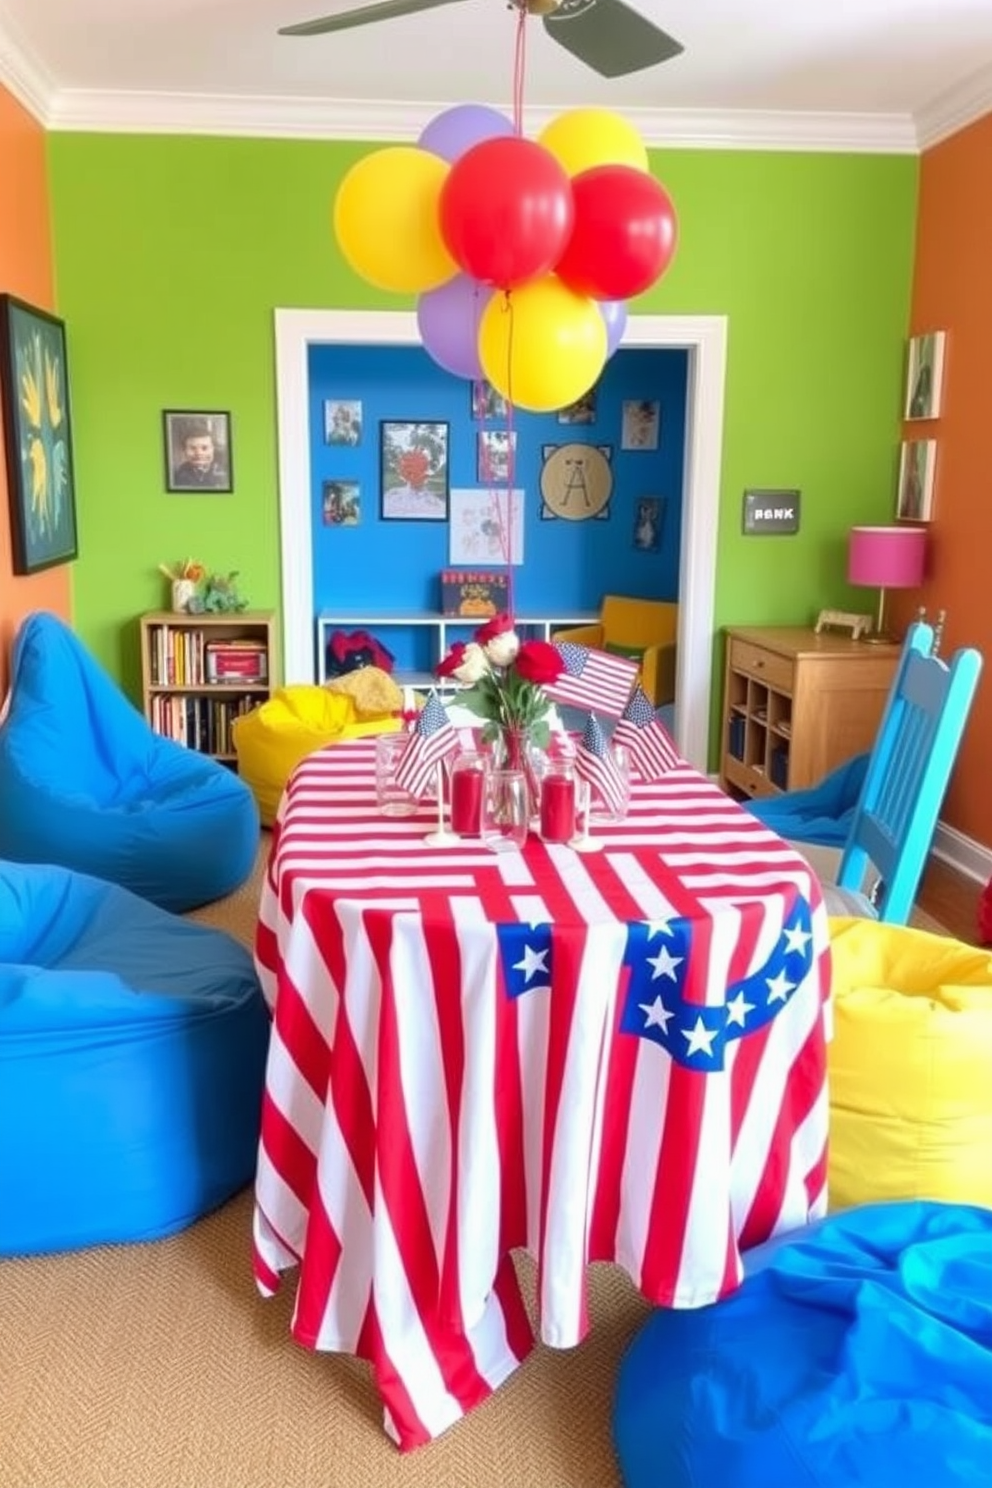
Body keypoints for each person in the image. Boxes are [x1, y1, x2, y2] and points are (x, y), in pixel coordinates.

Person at [171, 419, 229, 489]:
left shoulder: (225, 471)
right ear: (184, 451)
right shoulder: (178, 475)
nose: (199, 453)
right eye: (192, 448)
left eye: (204, 448)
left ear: (213, 449)